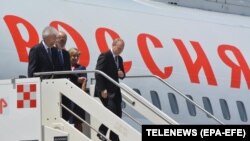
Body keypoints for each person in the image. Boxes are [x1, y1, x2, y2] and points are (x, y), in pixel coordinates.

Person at [95, 38, 125, 141]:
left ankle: (113, 136)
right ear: (113, 45)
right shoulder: (105, 55)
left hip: (116, 91)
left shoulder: (119, 59)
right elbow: (98, 73)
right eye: (119, 48)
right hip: (106, 91)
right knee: (111, 112)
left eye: (122, 49)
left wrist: (122, 74)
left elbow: (122, 74)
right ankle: (102, 132)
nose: (120, 50)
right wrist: (102, 89)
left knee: (118, 114)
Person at [68, 47, 88, 132]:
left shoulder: (81, 68)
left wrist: (82, 96)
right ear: (69, 56)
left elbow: (84, 81)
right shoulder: (65, 67)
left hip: (77, 98)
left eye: (77, 56)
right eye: (73, 56)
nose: (76, 58)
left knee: (78, 122)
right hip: (66, 97)